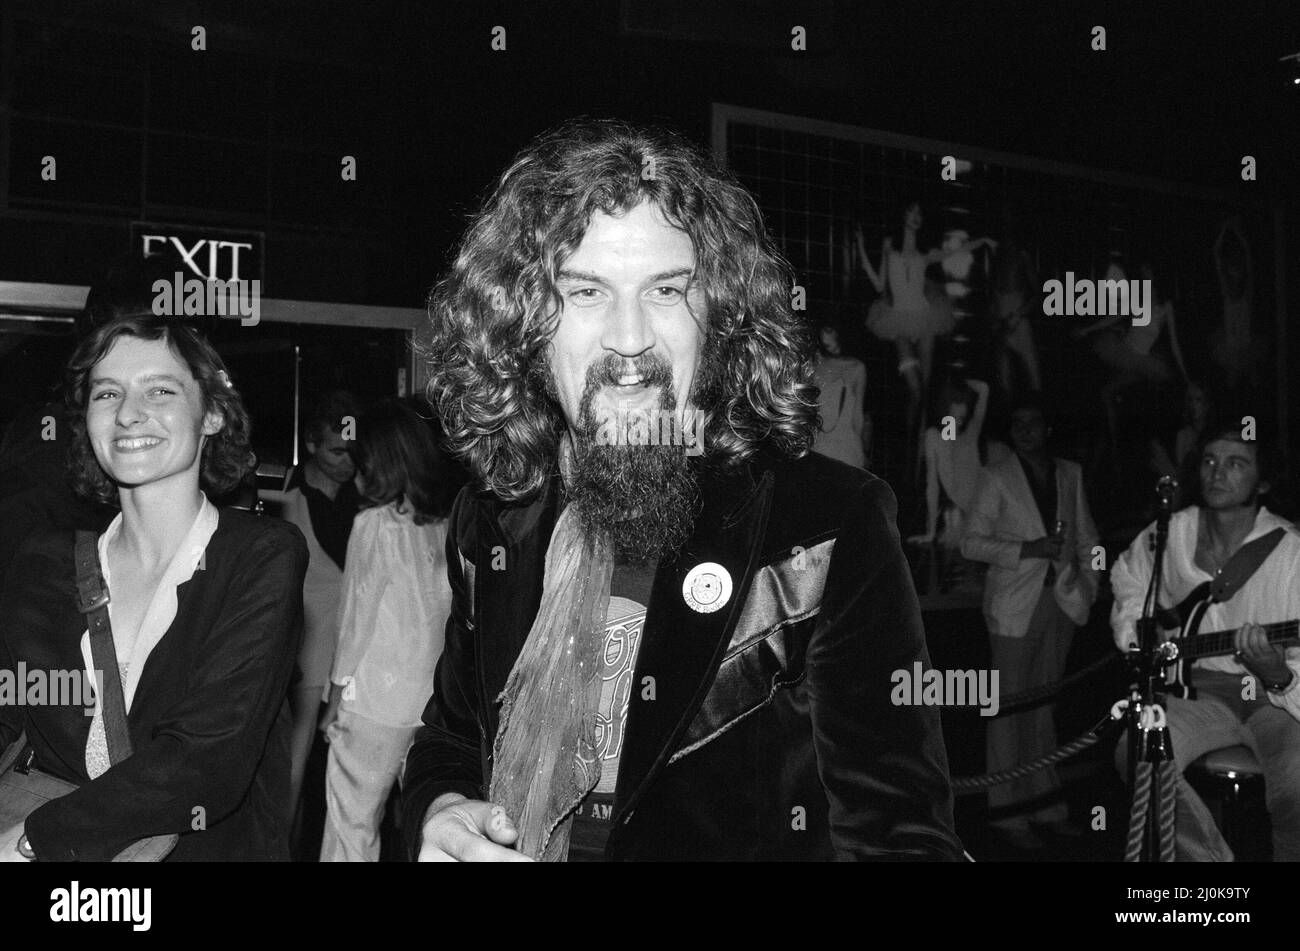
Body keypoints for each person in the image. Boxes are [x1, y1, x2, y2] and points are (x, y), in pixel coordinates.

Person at [403, 118, 964, 862]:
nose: (630, 338)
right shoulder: (494, 517)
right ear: (523, 323)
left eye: (667, 290)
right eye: (586, 291)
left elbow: (903, 840)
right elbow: (450, 736)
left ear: (719, 316)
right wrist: (439, 812)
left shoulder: (827, 528)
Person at [0, 315, 307, 861]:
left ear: (211, 413)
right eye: (107, 393)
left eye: (160, 389)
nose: (128, 413)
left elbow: (205, 761)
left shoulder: (260, 555)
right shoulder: (42, 561)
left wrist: (35, 841)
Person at [1110, 417, 1300, 861]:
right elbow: (1127, 575)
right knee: (1137, 751)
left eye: (1236, 463)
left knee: (1297, 785)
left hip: (1273, 703)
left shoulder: (1292, 553)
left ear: (1264, 481)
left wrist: (1279, 675)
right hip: (1193, 692)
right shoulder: (1172, 531)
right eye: (1211, 461)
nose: (1218, 472)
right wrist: (1140, 636)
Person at [961, 393, 1100, 850]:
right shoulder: (995, 476)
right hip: (1013, 606)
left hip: (1060, 602)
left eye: (1033, 422)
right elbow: (971, 544)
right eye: (1017, 423)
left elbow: (1088, 539)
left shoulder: (1069, 473)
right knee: (1006, 711)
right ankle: (1006, 813)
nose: (1025, 430)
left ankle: (1046, 806)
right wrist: (1028, 549)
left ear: (1047, 428)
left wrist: (1090, 585)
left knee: (1043, 710)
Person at [317, 399, 453, 862]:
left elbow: (355, 622)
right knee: (425, 833)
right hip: (429, 708)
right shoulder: (444, 525)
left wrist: (332, 701)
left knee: (350, 831)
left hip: (373, 704)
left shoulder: (373, 525)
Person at [262, 390, 361, 827]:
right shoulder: (280, 493)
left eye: (353, 450)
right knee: (290, 776)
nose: (348, 460)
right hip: (305, 658)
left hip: (360, 666)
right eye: (338, 450)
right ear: (312, 446)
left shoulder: (370, 501)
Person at [854, 204, 991, 470]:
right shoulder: (888, 245)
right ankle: (909, 442)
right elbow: (880, 285)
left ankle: (918, 453)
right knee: (915, 389)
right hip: (898, 320)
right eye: (912, 213)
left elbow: (955, 250)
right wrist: (860, 247)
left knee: (925, 390)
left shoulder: (924, 253)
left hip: (926, 318)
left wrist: (982, 240)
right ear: (903, 215)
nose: (916, 218)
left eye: (920, 214)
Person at [1073, 260, 1188, 457]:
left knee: (1118, 394)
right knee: (1103, 392)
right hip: (1123, 351)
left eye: (1148, 273)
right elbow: (1115, 316)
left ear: (1156, 276)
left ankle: (1122, 444)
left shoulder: (1165, 306)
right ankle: (1110, 442)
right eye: (1143, 273)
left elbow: (1175, 343)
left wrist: (1185, 374)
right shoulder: (1138, 295)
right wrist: (1087, 330)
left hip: (1143, 361)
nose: (1145, 276)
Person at [811, 323, 872, 469]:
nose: (825, 335)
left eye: (829, 329)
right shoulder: (814, 364)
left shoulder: (856, 367)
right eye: (823, 330)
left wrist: (861, 448)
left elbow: (858, 414)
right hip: (822, 443)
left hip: (843, 443)